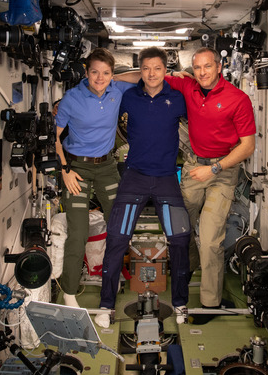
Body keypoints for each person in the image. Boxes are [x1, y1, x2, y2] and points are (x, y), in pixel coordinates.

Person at [118, 47, 255, 317]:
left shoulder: (238, 99)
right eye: (198, 67)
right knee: (182, 229)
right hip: (194, 165)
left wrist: (214, 168)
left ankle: (210, 303)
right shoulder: (187, 85)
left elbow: (248, 146)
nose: (203, 72)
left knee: (209, 238)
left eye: (208, 66)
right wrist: (110, 78)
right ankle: (188, 267)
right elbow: (148, 77)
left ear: (219, 67)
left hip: (222, 170)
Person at [94, 47, 191, 328]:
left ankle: (180, 303)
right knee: (116, 239)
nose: (151, 74)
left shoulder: (177, 98)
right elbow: (106, 83)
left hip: (165, 180)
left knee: (180, 239)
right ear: (140, 70)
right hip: (134, 177)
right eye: (146, 68)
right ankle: (106, 306)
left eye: (157, 69)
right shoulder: (128, 97)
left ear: (165, 71)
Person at [54, 48, 134, 307]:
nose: (100, 78)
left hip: (107, 168)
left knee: (119, 226)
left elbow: (139, 77)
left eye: (106, 73)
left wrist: (171, 73)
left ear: (113, 74)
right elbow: (55, 137)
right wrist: (65, 170)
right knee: (78, 232)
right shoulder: (71, 98)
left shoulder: (116, 90)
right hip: (77, 169)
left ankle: (111, 278)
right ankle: (68, 290)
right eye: (95, 72)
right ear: (86, 72)